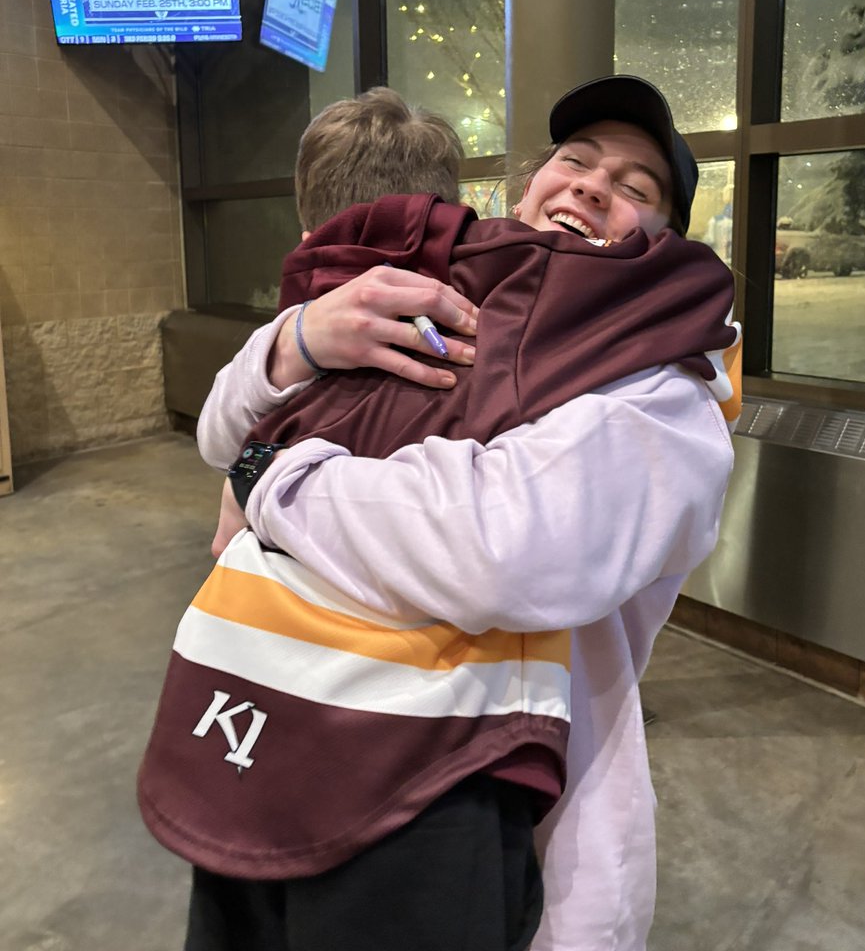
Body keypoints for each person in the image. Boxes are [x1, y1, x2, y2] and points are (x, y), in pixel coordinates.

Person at [141, 76, 741, 951]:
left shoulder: (660, 390)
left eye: (636, 187)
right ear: (526, 188)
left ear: (663, 243)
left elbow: (501, 545)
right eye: (573, 161)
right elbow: (220, 429)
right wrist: (301, 336)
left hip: (454, 779)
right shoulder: (436, 294)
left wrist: (274, 480)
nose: (590, 184)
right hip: (266, 730)